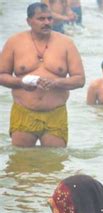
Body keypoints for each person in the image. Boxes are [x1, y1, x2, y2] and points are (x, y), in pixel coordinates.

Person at [0, 2, 85, 148]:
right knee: (21, 164)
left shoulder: (66, 43)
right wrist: (21, 83)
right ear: (29, 21)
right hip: (24, 110)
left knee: (55, 162)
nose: (46, 22)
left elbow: (80, 79)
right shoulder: (14, 42)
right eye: (41, 19)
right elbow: (1, 75)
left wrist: (56, 83)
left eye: (49, 18)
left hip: (55, 113)